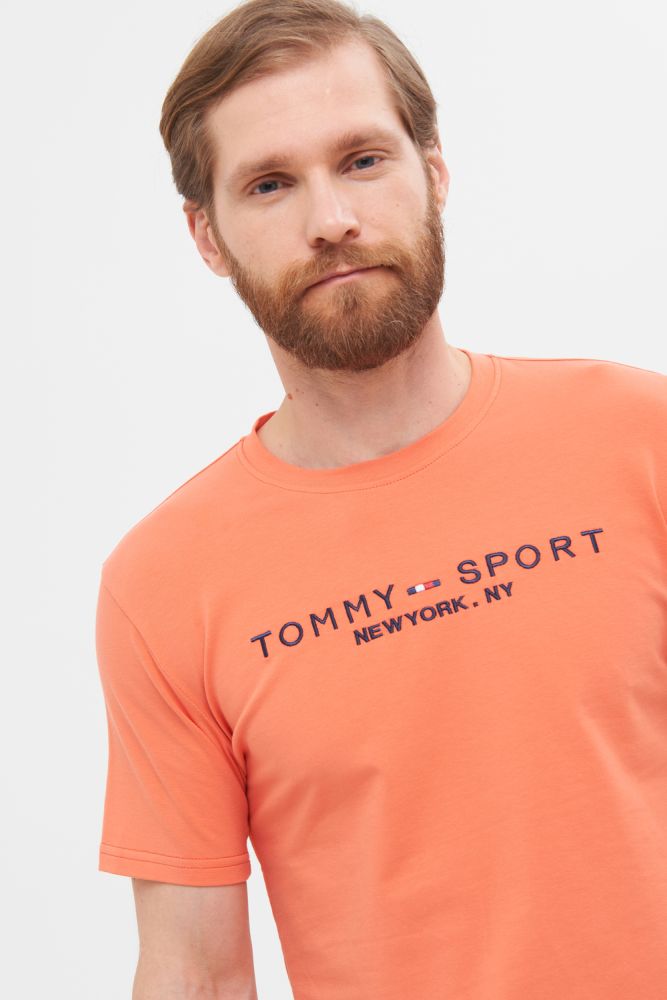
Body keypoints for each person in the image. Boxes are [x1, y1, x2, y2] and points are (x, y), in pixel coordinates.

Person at [94, 0, 667, 997]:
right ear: (207, 236)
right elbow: (196, 971)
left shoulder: (638, 438)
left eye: (361, 160)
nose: (330, 220)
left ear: (432, 172)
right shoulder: (164, 583)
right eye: (269, 184)